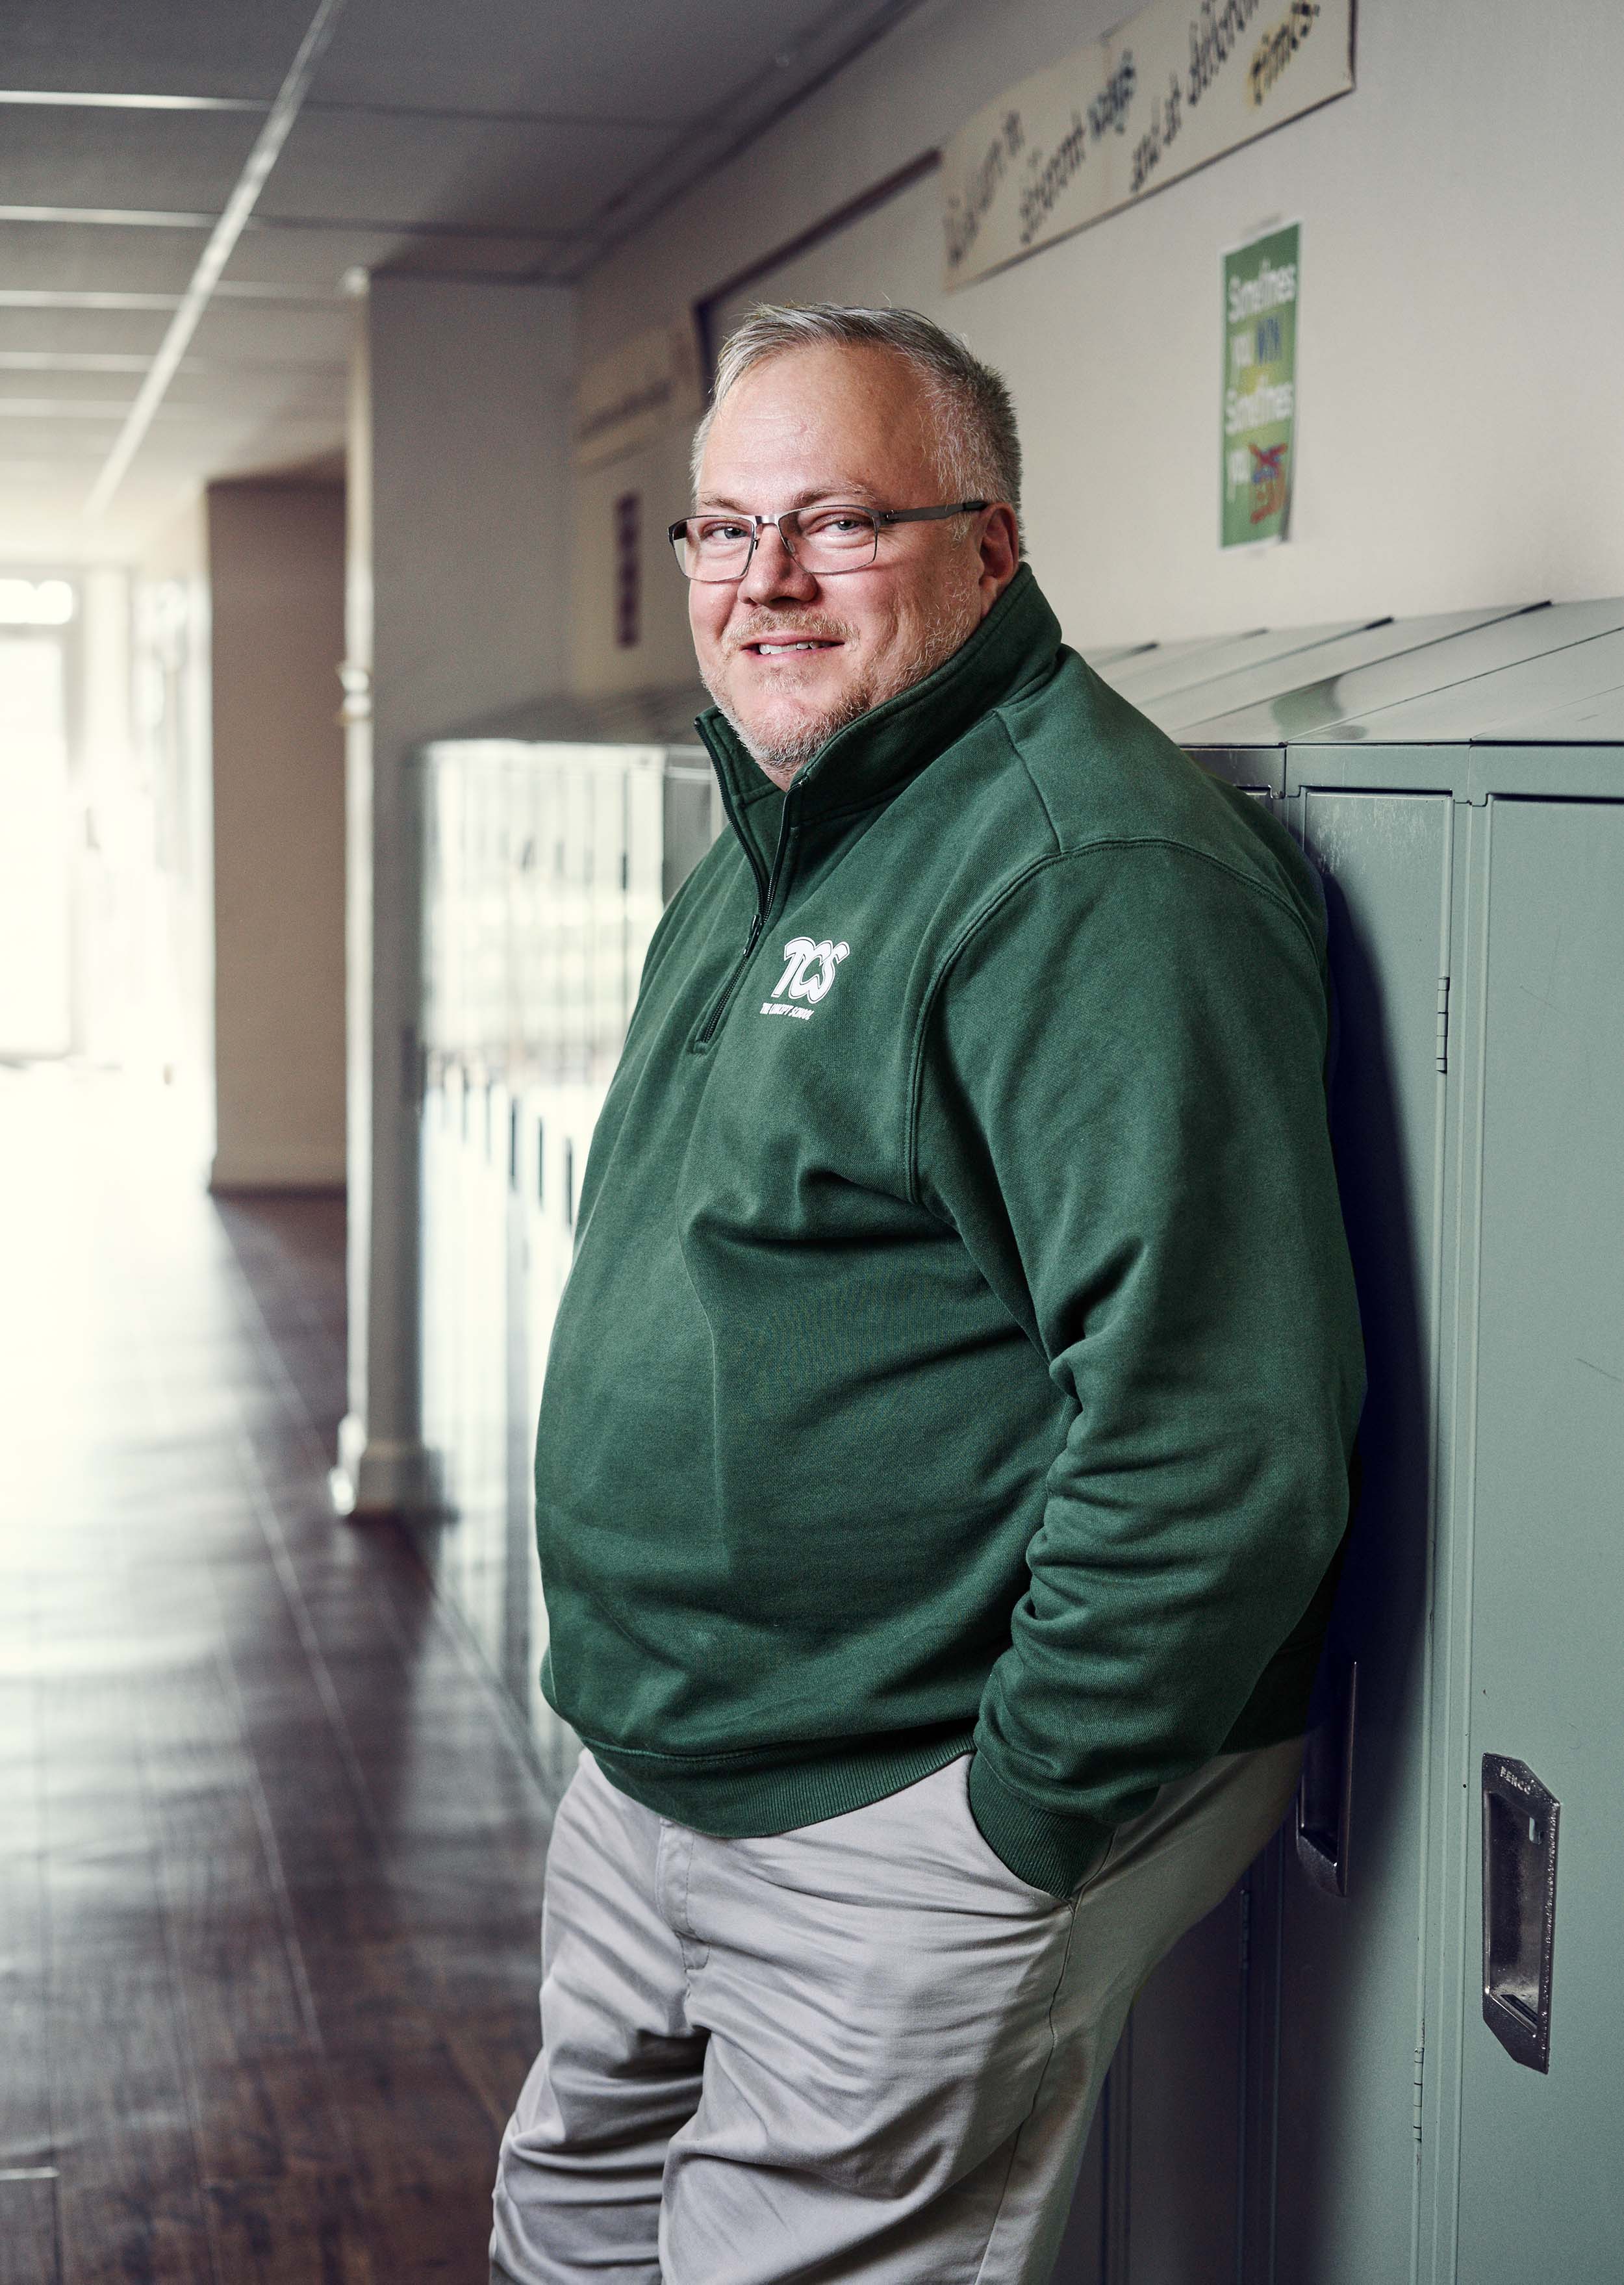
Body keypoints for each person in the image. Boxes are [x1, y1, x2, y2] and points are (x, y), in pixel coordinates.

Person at [491, 304, 1363, 2284]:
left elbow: (1217, 1427)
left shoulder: (1084, 872)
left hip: (890, 1805)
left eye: (838, 524)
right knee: (564, 2239)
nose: (766, 582)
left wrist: (1006, 1826)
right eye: (724, 532)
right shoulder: (788, 826)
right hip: (665, 1769)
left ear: (992, 545)